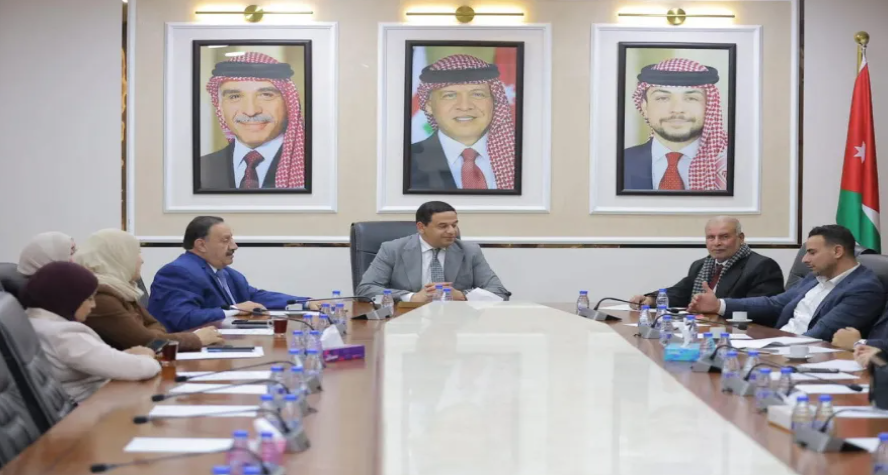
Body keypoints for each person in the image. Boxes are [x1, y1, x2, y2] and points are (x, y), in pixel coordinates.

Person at [688, 225, 886, 341]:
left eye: (812, 253)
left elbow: (821, 334)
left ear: (837, 251)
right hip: (780, 343)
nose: (805, 260)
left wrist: (770, 347)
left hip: (802, 355)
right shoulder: (816, 277)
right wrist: (719, 305)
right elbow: (775, 303)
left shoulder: (863, 288)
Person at [21, 261, 160, 403]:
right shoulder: (64, 335)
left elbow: (93, 360)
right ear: (69, 298)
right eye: (90, 298)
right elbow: (142, 369)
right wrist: (146, 355)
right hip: (93, 408)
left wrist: (127, 355)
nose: (93, 305)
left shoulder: (30, 322)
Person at [148, 216, 310, 332]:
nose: (234, 246)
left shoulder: (225, 272)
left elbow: (254, 297)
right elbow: (183, 318)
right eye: (226, 240)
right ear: (201, 245)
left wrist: (305, 303)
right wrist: (234, 309)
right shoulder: (179, 272)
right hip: (186, 354)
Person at [74, 229, 224, 351]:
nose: (141, 260)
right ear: (117, 257)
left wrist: (152, 336)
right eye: (136, 253)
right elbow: (147, 342)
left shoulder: (122, 290)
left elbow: (155, 326)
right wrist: (196, 339)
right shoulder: (101, 297)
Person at [356, 201, 510, 302]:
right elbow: (366, 289)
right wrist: (412, 297)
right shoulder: (392, 249)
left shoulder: (470, 251)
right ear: (421, 227)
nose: (452, 231)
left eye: (454, 225)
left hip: (455, 322)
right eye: (443, 226)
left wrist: (461, 295)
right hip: (406, 322)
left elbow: (499, 292)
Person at [200, 52, 306, 190]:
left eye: (266, 95)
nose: (251, 111)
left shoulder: (316, 166)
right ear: (220, 106)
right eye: (235, 97)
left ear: (288, 103)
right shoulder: (200, 168)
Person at [410, 54, 516, 191]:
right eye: (450, 95)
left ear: (494, 101)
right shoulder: (405, 161)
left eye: (477, 94)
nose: (465, 106)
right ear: (429, 105)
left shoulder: (524, 158)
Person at [629, 217, 784, 308]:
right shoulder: (701, 265)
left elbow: (763, 308)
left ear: (741, 238)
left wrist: (718, 306)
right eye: (711, 237)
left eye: (724, 237)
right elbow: (680, 292)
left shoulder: (762, 266)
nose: (716, 243)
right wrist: (651, 300)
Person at [623, 58, 728, 191]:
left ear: (710, 106)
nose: (677, 109)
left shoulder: (732, 163)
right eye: (663, 98)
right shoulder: (617, 162)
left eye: (691, 98)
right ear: (644, 107)